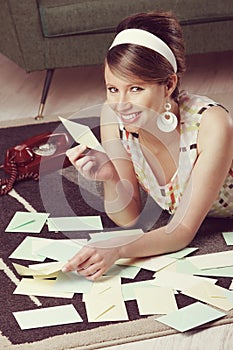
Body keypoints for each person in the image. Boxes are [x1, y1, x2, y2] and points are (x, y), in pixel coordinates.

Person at [62, 11, 233, 280]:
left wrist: (118, 249)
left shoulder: (211, 125)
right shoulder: (114, 119)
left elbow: (182, 229)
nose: (121, 104)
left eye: (136, 89)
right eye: (113, 89)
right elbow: (130, 217)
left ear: (168, 84)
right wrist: (110, 177)